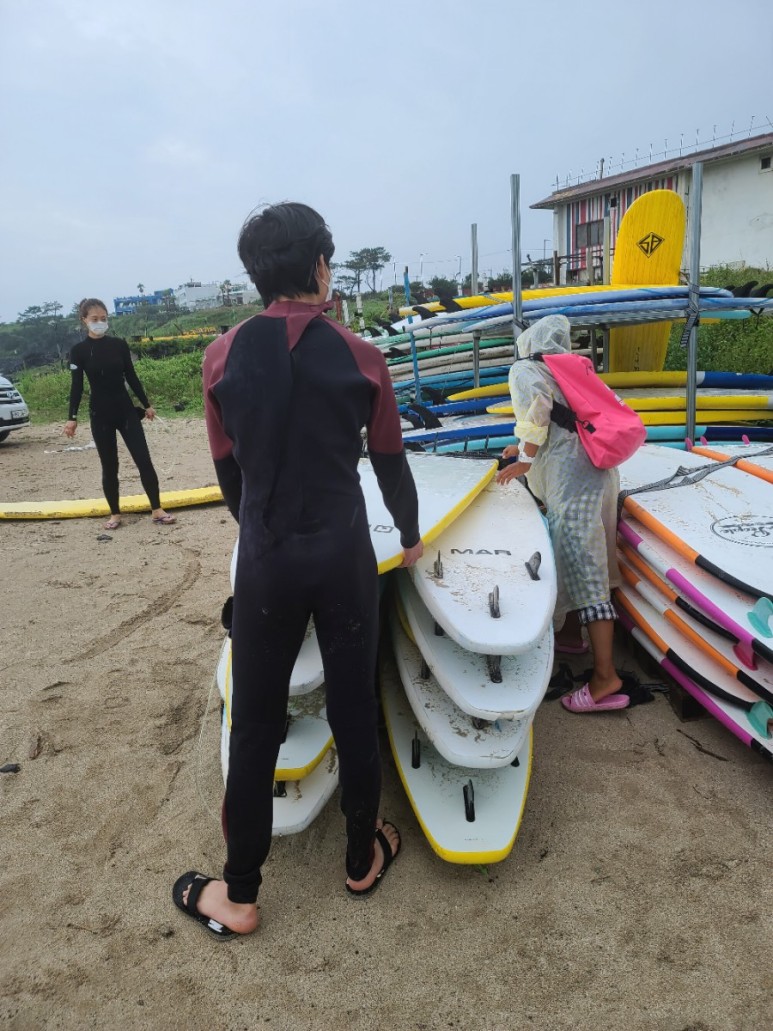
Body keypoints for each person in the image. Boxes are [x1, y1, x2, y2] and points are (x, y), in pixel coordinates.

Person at [172, 202, 423, 940]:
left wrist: (262, 528)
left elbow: (228, 477)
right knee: (353, 706)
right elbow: (390, 466)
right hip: (343, 552)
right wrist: (406, 537)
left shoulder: (220, 357)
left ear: (254, 275)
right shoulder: (359, 354)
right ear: (320, 265)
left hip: (267, 556)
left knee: (253, 722)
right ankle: (359, 856)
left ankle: (240, 893)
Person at [495, 315, 627, 714]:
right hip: (599, 474)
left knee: (585, 566)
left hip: (573, 483)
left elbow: (537, 412)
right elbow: (558, 420)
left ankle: (606, 679)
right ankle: (572, 637)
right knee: (576, 553)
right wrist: (518, 449)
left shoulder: (525, 369)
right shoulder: (569, 368)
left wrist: (525, 459)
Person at [63, 299, 176, 529]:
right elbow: (77, 387)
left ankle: (157, 509)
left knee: (143, 459)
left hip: (125, 411)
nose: (100, 323)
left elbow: (132, 376)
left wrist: (146, 404)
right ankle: (114, 514)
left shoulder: (119, 345)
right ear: (84, 320)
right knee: (110, 465)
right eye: (94, 319)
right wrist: (71, 418)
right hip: (100, 414)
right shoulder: (79, 351)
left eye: (104, 319)